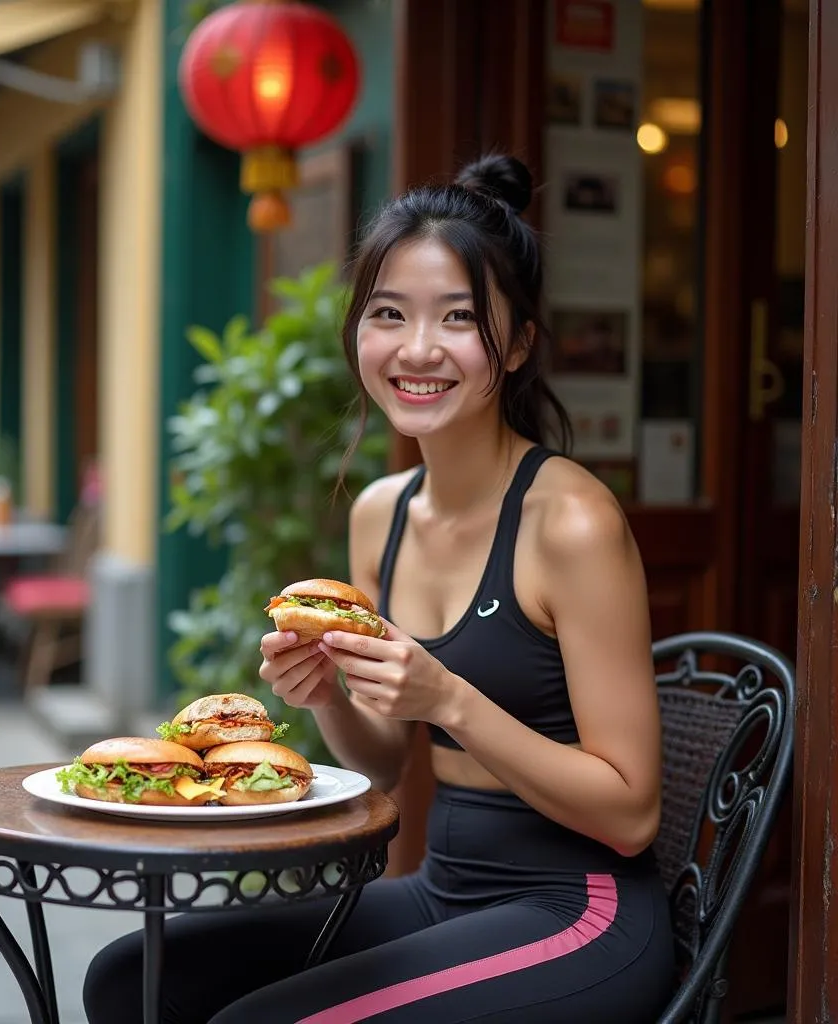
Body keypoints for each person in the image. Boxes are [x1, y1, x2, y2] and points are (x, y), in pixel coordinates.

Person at [83, 154, 676, 1023]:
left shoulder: (570, 523)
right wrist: (327, 695)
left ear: (515, 346)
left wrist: (449, 697)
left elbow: (631, 814)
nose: (417, 348)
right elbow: (387, 759)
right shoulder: (380, 513)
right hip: (444, 887)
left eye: (458, 319)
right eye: (388, 314)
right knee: (132, 979)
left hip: (581, 910)